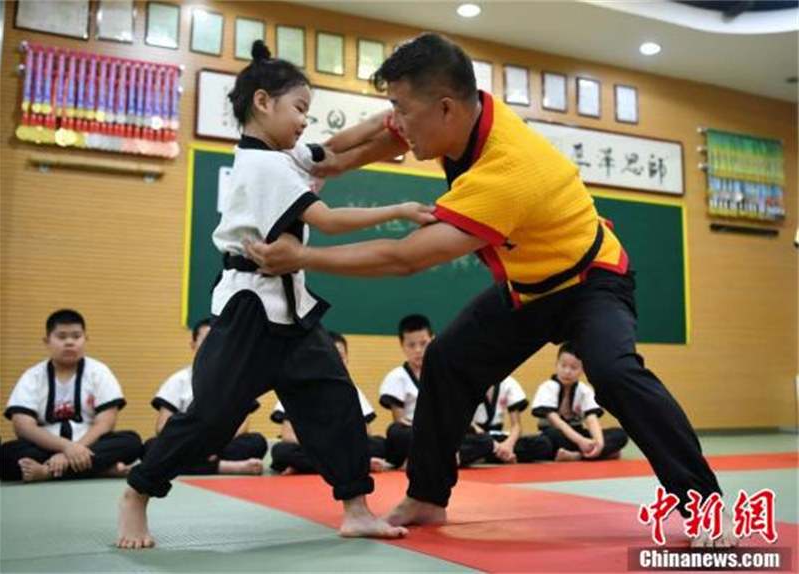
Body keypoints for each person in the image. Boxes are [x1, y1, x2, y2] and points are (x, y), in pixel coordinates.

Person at [245, 33, 735, 547]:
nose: (398, 120)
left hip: (592, 279)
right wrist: (331, 159)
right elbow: (389, 130)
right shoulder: (458, 116)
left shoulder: (506, 172)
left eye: (405, 110)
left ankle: (704, 504)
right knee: (446, 361)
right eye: (397, 107)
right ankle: (428, 496)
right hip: (528, 286)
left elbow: (405, 257)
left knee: (614, 373)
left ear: (445, 108)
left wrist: (304, 257)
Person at [116, 40, 432, 549]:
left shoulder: (282, 156)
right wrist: (399, 210)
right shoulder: (262, 166)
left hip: (293, 310)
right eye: (299, 109)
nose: (305, 121)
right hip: (249, 310)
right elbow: (326, 220)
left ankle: (356, 508)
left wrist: (387, 119)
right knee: (212, 418)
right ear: (263, 103)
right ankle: (138, 490)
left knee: (336, 402)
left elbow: (332, 151)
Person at [0, 309, 142, 483]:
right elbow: (23, 426)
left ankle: (47, 472)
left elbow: (105, 422)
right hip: (47, 446)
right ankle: (101, 470)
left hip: (89, 444)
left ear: (85, 339)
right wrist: (67, 448)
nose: (69, 342)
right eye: (61, 337)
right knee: (5, 454)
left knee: (131, 442)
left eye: (76, 336)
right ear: (47, 341)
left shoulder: (99, 372)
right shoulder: (33, 376)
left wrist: (74, 450)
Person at [143, 318, 268, 475]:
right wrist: (196, 446)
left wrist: (213, 447)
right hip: (187, 443)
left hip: (221, 444)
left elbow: (242, 425)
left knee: (256, 442)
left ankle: (195, 464)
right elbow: (161, 427)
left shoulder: (236, 379)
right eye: (206, 341)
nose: (213, 347)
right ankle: (224, 467)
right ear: (193, 345)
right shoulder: (178, 380)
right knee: (151, 447)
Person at [379, 314, 493, 468]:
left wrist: (477, 431)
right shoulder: (397, 377)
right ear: (402, 345)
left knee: (485, 441)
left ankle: (437, 456)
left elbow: (455, 413)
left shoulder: (445, 372)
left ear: (433, 340)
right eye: (411, 345)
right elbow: (399, 420)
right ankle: (443, 455)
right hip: (415, 432)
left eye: (423, 343)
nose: (418, 350)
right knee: (394, 432)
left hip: (442, 433)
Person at [270, 331, 388, 475]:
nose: (336, 361)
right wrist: (321, 444)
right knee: (281, 451)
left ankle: (307, 466)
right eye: (331, 356)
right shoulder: (297, 388)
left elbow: (366, 431)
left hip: (340, 446)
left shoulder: (352, 390)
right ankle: (350, 464)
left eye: (341, 356)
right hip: (312, 446)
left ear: (347, 360)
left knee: (379, 444)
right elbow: (287, 435)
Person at [531, 343, 627, 462]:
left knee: (620, 435)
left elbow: (591, 420)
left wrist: (599, 442)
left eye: (574, 368)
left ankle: (578, 455)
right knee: (546, 442)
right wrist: (581, 441)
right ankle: (601, 453)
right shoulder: (547, 388)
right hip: (556, 433)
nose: (567, 371)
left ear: (582, 370)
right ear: (556, 365)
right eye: (563, 366)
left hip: (578, 432)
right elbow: (556, 422)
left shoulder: (584, 390)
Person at [469, 375, 554, 464]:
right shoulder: (468, 381)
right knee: (469, 444)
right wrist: (494, 445)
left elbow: (516, 425)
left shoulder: (507, 382)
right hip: (475, 435)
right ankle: (493, 454)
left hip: (496, 436)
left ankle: (488, 455)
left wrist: (508, 445)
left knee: (543, 443)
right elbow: (469, 423)